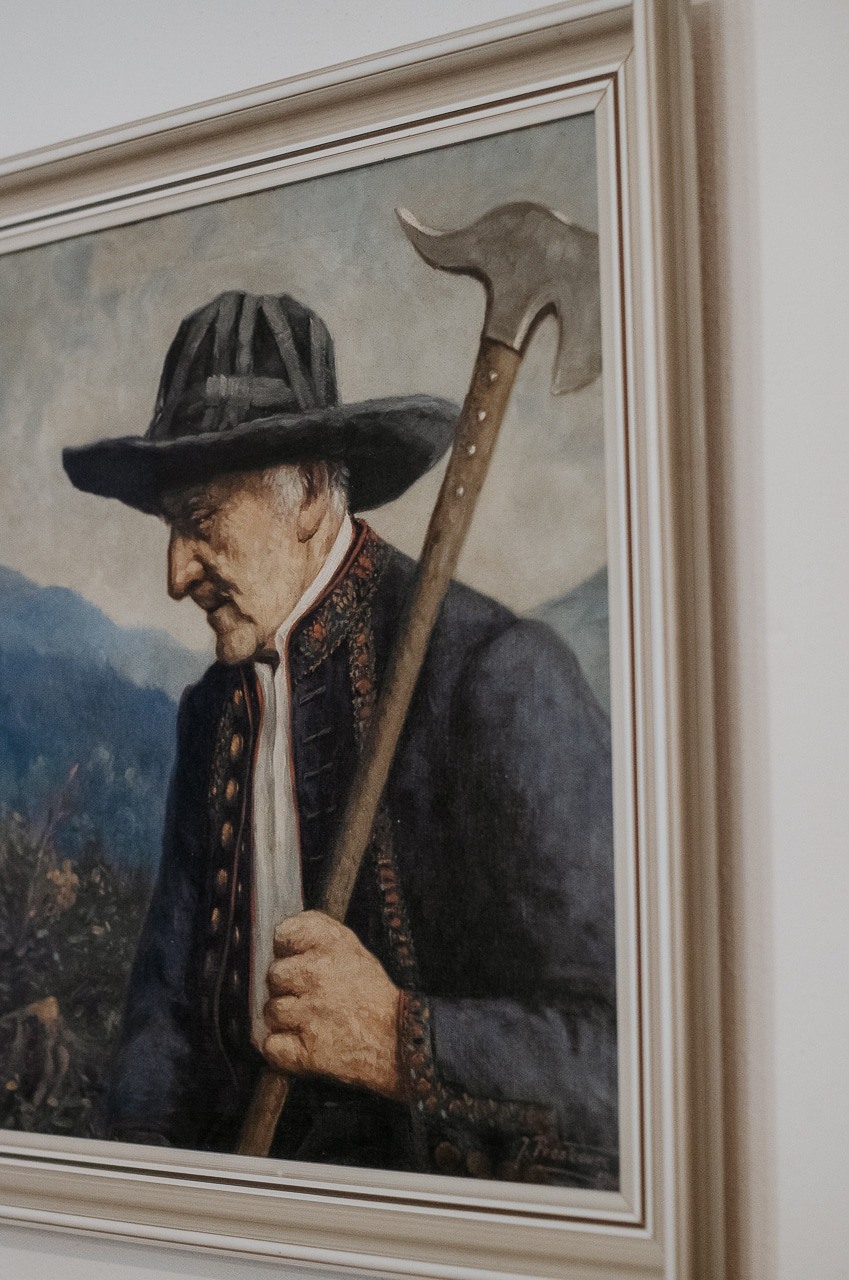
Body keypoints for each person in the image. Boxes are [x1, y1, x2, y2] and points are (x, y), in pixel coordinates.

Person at [62, 291, 617, 1185]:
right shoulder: (210, 714)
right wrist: (142, 1182)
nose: (175, 573)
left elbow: (627, 1056)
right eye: (170, 527)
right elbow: (163, 1020)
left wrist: (399, 1039)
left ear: (312, 494)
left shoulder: (499, 679)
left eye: (200, 521)